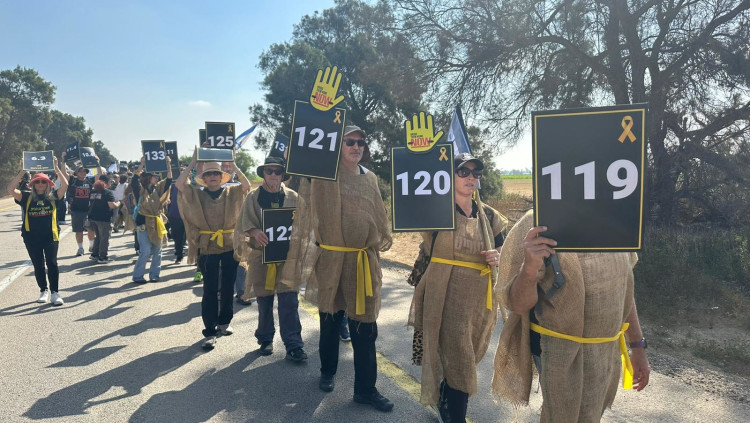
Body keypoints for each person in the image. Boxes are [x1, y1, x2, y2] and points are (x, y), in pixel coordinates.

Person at [492, 212, 650, 421]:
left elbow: (624, 291)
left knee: (591, 414)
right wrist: (529, 268)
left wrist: (638, 346)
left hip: (605, 351)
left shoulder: (613, 218)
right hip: (556, 351)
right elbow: (518, 305)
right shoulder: (536, 222)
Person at [280, 125, 393, 412]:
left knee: (365, 327)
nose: (357, 147)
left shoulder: (370, 178)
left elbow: (379, 215)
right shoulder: (323, 176)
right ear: (337, 147)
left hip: (363, 263)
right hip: (331, 261)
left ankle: (365, 389)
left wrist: (378, 242)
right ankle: (327, 371)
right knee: (330, 321)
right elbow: (302, 176)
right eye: (350, 142)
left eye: (361, 143)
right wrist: (298, 148)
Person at [408, 153, 507, 423]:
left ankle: (446, 396)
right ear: (449, 176)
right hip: (444, 297)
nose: (470, 178)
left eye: (475, 173)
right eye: (463, 172)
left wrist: (498, 256)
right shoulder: (436, 211)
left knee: (466, 356)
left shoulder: (489, 215)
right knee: (461, 362)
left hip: (478, 302)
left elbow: (503, 249)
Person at [176, 149, 250, 350]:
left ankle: (224, 322)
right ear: (204, 178)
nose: (213, 177)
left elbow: (246, 186)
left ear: (221, 176)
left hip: (229, 246)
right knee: (209, 290)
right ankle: (209, 331)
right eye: (208, 174)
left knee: (228, 287)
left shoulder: (231, 192)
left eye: (216, 173)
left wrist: (234, 164)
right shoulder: (197, 194)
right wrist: (193, 162)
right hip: (207, 247)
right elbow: (180, 185)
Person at [235, 155, 307, 361]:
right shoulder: (253, 197)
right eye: (269, 171)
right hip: (261, 257)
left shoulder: (294, 197)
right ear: (264, 174)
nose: (273, 175)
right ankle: (265, 339)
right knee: (264, 300)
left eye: (278, 171)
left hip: (287, 259)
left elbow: (304, 223)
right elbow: (244, 223)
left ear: (283, 175)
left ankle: (293, 345)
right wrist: (255, 231)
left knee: (289, 301)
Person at [7, 157, 68, 305]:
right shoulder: (26, 196)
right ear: (33, 184)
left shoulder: (53, 197)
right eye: (37, 182)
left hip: (50, 235)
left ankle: (55, 293)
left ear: (48, 184)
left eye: (43, 182)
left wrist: (56, 168)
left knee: (52, 263)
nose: (40, 184)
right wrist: (22, 171)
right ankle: (43, 290)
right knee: (38, 264)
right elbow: (10, 190)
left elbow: (65, 185)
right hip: (31, 237)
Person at [131, 156, 172, 283]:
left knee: (158, 250)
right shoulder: (140, 190)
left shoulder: (157, 189)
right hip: (143, 224)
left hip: (156, 223)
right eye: (154, 176)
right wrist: (142, 163)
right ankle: (137, 276)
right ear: (148, 177)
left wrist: (168, 164)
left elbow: (169, 180)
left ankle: (154, 274)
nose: (157, 178)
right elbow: (134, 180)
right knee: (145, 251)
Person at [63, 151, 96, 256]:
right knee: (79, 230)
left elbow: (99, 175)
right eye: (80, 171)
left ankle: (92, 246)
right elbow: (63, 173)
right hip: (76, 210)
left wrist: (97, 162)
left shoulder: (90, 181)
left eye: (84, 171)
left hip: (88, 210)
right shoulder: (72, 180)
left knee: (91, 229)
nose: (82, 173)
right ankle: (80, 248)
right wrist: (63, 160)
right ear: (76, 172)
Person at [88, 177, 120, 263]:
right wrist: (119, 203)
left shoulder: (93, 192)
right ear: (105, 183)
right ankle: (103, 257)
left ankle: (94, 254)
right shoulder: (107, 192)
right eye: (110, 181)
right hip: (104, 218)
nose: (111, 183)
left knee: (98, 236)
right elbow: (112, 205)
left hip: (93, 217)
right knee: (104, 238)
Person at [166, 179, 186, 264]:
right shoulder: (173, 187)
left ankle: (197, 258)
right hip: (175, 215)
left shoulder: (190, 187)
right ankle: (179, 255)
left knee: (193, 238)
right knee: (177, 237)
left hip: (188, 216)